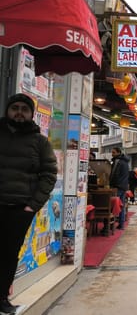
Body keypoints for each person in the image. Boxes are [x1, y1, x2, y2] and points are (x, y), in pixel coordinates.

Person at [0, 93, 57, 314]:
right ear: (8, 110)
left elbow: (49, 174)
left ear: (31, 114)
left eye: (24, 109)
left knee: (8, 253)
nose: (19, 113)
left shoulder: (40, 142)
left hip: (19, 208)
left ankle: (2, 297)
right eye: (15, 108)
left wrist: (32, 206)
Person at [109, 147, 129, 230]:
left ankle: (109, 226)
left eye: (113, 152)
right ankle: (121, 224)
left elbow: (114, 174)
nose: (112, 154)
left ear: (118, 152)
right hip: (123, 186)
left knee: (112, 205)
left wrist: (110, 183)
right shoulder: (125, 162)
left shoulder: (118, 161)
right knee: (121, 205)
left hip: (117, 186)